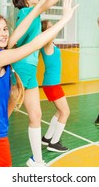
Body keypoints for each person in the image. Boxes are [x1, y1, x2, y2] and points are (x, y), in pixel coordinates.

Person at [0, 0, 78, 167]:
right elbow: (34, 44)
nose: (3, 34)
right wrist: (64, 20)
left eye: (4, 29)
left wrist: (36, 8)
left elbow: (21, 30)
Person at [7, 0, 79, 167]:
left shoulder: (28, 12)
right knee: (6, 113)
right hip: (21, 68)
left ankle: (36, 160)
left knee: (36, 115)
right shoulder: (30, 11)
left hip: (29, 69)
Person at [40, 19, 70, 153]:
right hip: (52, 84)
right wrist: (65, 17)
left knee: (59, 111)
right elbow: (51, 34)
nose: (53, 29)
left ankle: (47, 138)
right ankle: (54, 142)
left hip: (52, 83)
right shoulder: (46, 43)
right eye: (50, 27)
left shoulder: (50, 44)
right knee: (65, 112)